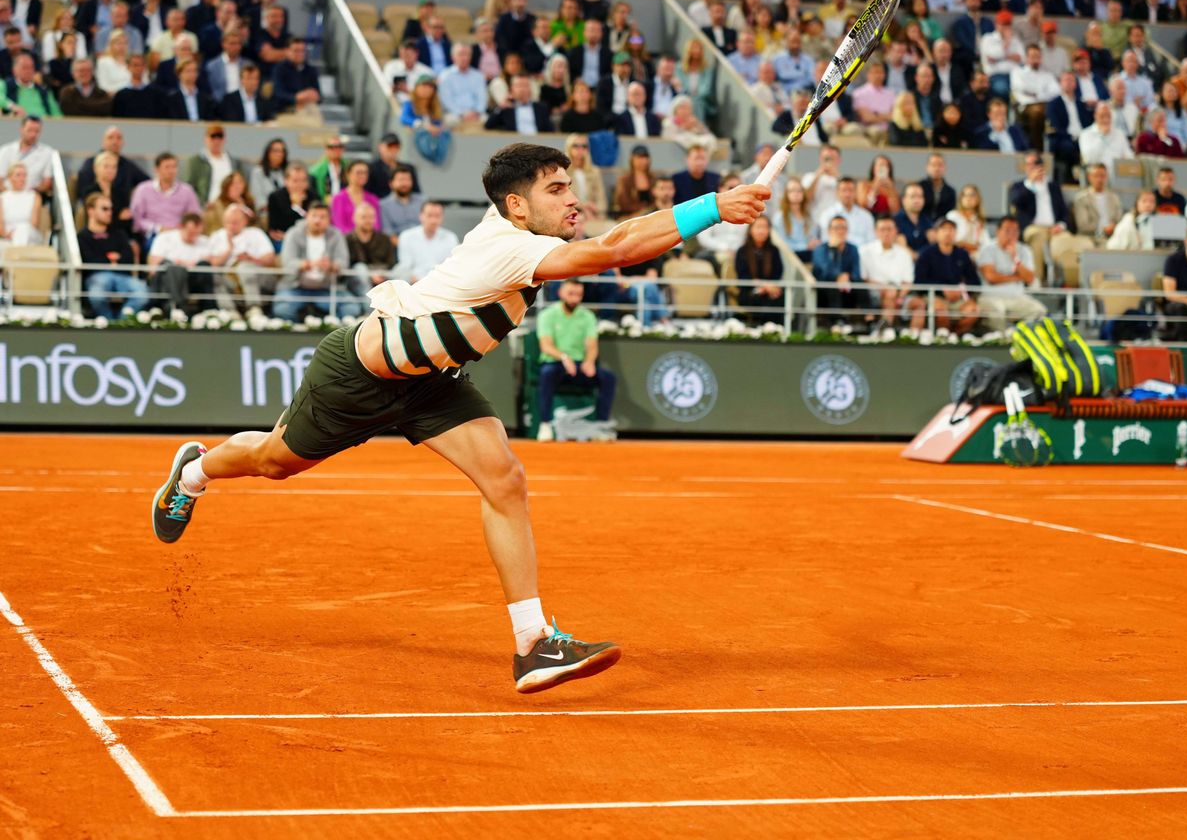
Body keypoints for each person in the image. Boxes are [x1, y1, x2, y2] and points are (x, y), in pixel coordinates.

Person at [150, 143, 770, 694]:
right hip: (359, 375)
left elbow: (618, 236)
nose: (572, 199)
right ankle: (195, 472)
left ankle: (532, 645)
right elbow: (615, 249)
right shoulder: (508, 248)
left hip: (433, 384)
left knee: (505, 479)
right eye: (555, 190)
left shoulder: (525, 238)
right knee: (274, 462)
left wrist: (710, 207)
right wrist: (714, 204)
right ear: (517, 206)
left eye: (570, 185)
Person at [271, 202, 361, 320]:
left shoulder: (336, 235)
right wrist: (306, 264)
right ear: (307, 216)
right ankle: (302, 327)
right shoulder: (293, 233)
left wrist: (332, 266)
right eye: (314, 216)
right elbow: (287, 263)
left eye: (322, 217)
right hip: (295, 287)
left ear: (329, 220)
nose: (317, 220)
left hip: (327, 289)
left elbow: (343, 262)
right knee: (281, 310)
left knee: (351, 309)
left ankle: (328, 326)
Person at [77, 191, 147, 317]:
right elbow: (89, 261)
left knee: (143, 292)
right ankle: (108, 322)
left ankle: (121, 323)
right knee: (97, 294)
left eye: (110, 209)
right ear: (90, 211)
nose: (109, 212)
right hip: (97, 277)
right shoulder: (82, 237)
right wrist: (113, 260)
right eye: (104, 209)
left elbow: (128, 259)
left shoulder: (119, 234)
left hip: (122, 277)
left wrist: (105, 260)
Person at [974, 215, 1047, 330]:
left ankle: (1021, 339)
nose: (1011, 235)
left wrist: (1016, 259)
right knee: (997, 312)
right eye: (1007, 231)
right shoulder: (987, 249)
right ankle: (1001, 343)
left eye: (1015, 231)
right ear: (998, 231)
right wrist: (1017, 277)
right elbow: (991, 277)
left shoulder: (1024, 250)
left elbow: (1029, 278)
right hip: (991, 296)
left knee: (1039, 311)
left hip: (1017, 297)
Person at [910, 218, 980, 333]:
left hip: (959, 297)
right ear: (936, 233)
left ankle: (957, 336)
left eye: (951, 229)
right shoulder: (926, 254)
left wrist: (961, 290)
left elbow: (975, 281)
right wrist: (942, 290)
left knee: (973, 310)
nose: (948, 233)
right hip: (934, 295)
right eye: (944, 229)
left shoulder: (963, 255)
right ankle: (944, 338)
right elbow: (919, 281)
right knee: (939, 309)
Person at [206, 202, 275, 312]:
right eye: (227, 222)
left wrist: (251, 259)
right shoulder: (217, 236)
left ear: (245, 221)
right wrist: (229, 250)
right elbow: (211, 264)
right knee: (212, 276)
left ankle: (254, 308)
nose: (230, 226)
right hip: (229, 278)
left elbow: (270, 259)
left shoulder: (256, 233)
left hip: (256, 276)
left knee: (244, 268)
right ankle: (230, 313)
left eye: (235, 223)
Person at [146, 212, 213, 313]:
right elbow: (154, 267)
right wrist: (185, 264)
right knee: (171, 267)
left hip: (191, 281)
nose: (194, 237)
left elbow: (208, 261)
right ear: (181, 227)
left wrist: (181, 263)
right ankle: (178, 306)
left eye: (197, 233)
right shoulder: (165, 238)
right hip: (166, 279)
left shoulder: (204, 241)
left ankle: (207, 309)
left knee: (204, 266)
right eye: (190, 232)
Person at [811, 214, 863, 321]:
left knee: (863, 286)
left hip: (847, 289)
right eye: (836, 228)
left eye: (843, 228)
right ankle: (837, 323)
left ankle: (870, 322)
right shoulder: (820, 250)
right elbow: (826, 271)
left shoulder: (853, 249)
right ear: (829, 231)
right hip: (825, 292)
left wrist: (846, 276)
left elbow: (856, 273)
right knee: (832, 285)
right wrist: (833, 249)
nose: (840, 231)